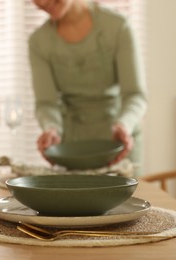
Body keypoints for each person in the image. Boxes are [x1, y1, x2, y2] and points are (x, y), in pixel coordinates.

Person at [28, 0, 147, 175]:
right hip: (73, 150)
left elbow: (135, 95)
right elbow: (46, 103)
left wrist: (124, 125)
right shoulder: (38, 42)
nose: (42, 2)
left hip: (119, 148)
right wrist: (51, 128)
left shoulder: (118, 27)